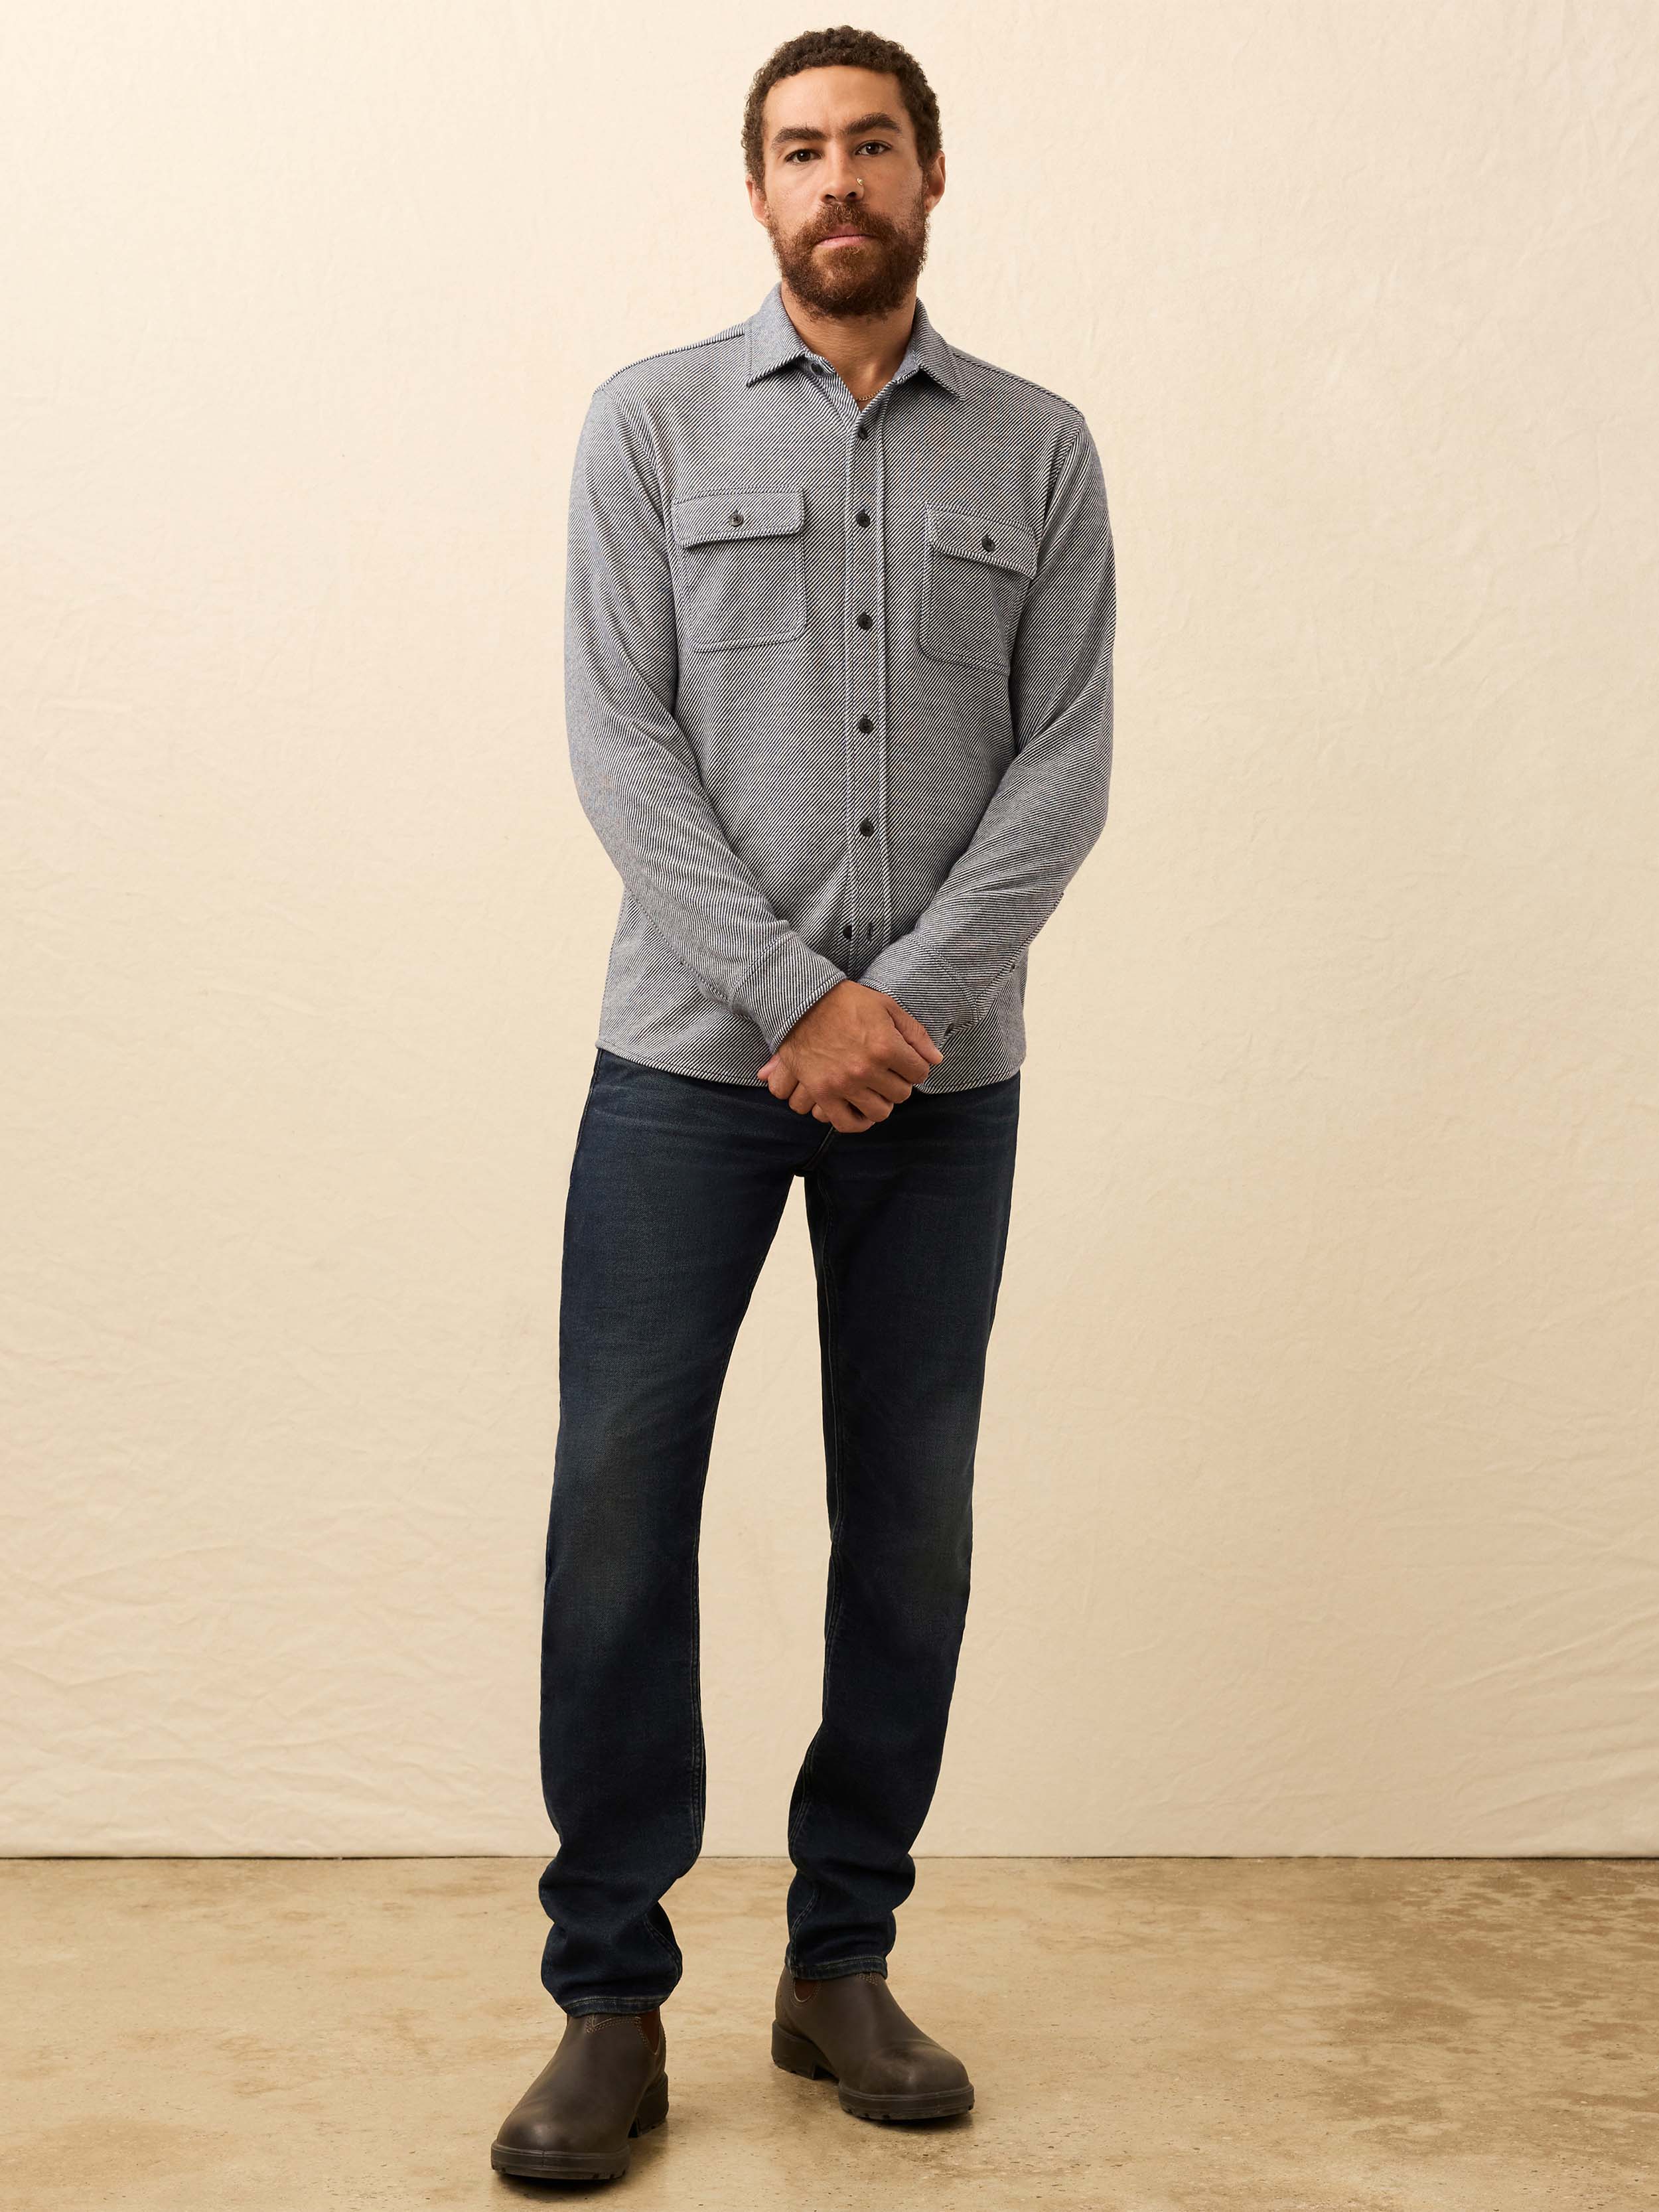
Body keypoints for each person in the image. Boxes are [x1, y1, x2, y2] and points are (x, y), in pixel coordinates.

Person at [492, 22, 1116, 2183]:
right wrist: (788, 997)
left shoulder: (1038, 449)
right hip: (685, 1066)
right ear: (752, 189)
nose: (834, 180)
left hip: (940, 1084)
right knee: (616, 1508)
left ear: (931, 176)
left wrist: (899, 1009)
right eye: (797, 150)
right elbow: (617, 738)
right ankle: (607, 1999)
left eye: (869, 145)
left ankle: (839, 1960)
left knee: (909, 1519)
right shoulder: (647, 426)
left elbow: (1065, 762)